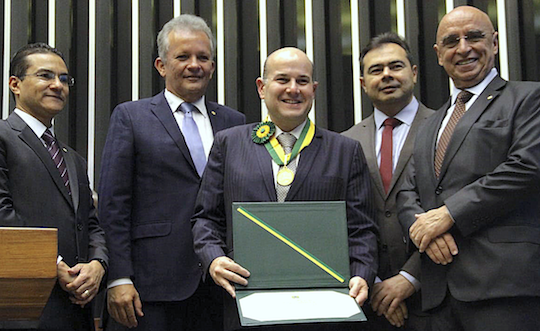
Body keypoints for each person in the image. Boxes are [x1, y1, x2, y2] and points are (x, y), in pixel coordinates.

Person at [191, 47, 378, 330]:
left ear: (313, 89)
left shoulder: (345, 150)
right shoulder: (229, 144)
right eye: (282, 80)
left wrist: (362, 273)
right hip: (248, 305)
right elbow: (206, 218)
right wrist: (214, 259)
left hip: (323, 309)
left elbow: (361, 229)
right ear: (261, 87)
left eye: (302, 81)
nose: (293, 89)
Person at [98, 14, 245, 331]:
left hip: (221, 285)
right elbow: (113, 204)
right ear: (161, 66)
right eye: (183, 57)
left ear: (213, 66)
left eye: (203, 57)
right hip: (151, 286)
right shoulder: (131, 117)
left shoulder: (234, 122)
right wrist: (119, 276)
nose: (195, 65)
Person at [397, 5, 540, 331]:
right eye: (451, 41)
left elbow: (525, 167)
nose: (463, 48)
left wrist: (448, 215)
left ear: (495, 43)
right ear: (438, 54)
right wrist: (424, 233)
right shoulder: (431, 122)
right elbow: (408, 190)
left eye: (474, 37)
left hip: (505, 289)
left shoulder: (528, 99)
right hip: (438, 293)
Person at [0, 43, 108, 330]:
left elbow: (91, 224)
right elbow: (2, 213)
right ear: (15, 84)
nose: (57, 85)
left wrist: (97, 264)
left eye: (63, 79)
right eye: (45, 76)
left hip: (77, 309)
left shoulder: (72, 158)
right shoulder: (3, 137)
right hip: (21, 307)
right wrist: (54, 264)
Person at [343, 32, 433, 331]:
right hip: (367, 299)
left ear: (414, 73)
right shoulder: (346, 143)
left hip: (436, 294)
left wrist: (408, 279)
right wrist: (376, 283)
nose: (386, 76)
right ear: (362, 83)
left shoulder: (445, 129)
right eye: (376, 70)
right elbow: (342, 222)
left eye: (395, 66)